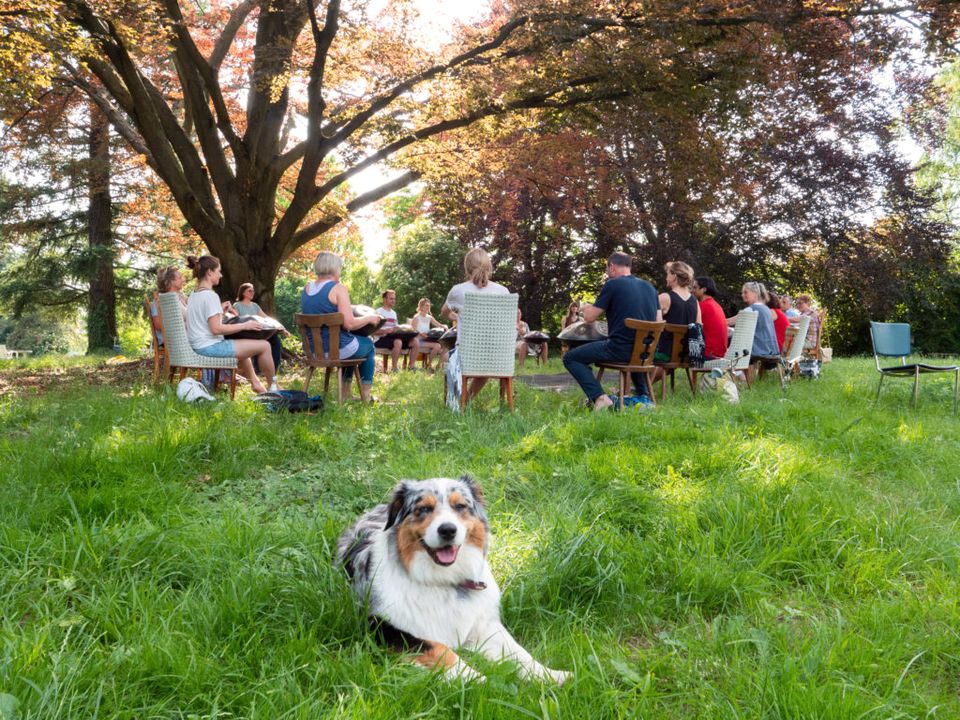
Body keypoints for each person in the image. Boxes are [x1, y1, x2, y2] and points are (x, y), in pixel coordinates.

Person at [562, 251, 661, 411]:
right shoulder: (650, 287)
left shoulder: (613, 284)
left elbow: (590, 317)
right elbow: (658, 321)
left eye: (607, 270)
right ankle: (643, 397)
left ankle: (600, 398)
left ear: (612, 267)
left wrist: (584, 309)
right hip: (645, 352)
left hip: (620, 350)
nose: (607, 274)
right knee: (634, 345)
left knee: (571, 358)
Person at [184, 255, 277, 394]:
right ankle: (273, 388)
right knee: (265, 346)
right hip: (209, 348)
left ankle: (256, 384)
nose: (221, 275)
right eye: (219, 271)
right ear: (210, 272)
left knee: (243, 343)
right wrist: (245, 325)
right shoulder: (210, 296)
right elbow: (216, 329)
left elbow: (203, 321)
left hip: (199, 345)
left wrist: (219, 310)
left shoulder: (194, 295)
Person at [301, 251, 380, 402]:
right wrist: (370, 317)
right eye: (340, 267)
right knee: (368, 345)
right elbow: (349, 323)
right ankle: (365, 395)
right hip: (336, 351)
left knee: (352, 344)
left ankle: (346, 394)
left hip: (313, 352)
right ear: (334, 268)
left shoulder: (307, 289)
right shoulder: (338, 288)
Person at [442, 247, 509, 403]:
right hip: (498, 356)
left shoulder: (458, 291)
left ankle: (458, 403)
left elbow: (444, 312)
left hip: (468, 354)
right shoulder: (503, 291)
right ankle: (467, 400)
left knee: (448, 357)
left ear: (467, 267)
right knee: (482, 366)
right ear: (489, 266)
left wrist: (457, 316)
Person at [234, 282, 288, 375]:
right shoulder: (237, 305)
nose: (252, 293)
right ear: (243, 293)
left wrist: (281, 327)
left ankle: (273, 370)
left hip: (258, 332)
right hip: (245, 333)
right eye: (249, 291)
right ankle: (257, 370)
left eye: (253, 291)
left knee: (275, 340)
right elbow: (235, 320)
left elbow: (266, 317)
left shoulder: (255, 306)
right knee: (260, 343)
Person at [654, 261, 701, 363]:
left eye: (667, 274)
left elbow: (651, 323)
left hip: (665, 354)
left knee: (637, 351)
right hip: (688, 355)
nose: (666, 277)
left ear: (674, 276)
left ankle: (638, 379)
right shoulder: (695, 301)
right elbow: (699, 326)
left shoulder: (665, 297)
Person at [727, 281, 780, 364]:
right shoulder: (767, 309)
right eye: (742, 293)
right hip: (771, 349)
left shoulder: (751, 310)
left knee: (730, 353)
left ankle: (740, 377)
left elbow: (729, 322)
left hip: (757, 350)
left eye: (745, 292)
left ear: (755, 294)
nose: (742, 295)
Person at [372, 289, 419, 373]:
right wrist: (385, 331)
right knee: (398, 342)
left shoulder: (394, 313)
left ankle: (411, 367)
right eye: (391, 298)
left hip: (394, 337)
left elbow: (396, 328)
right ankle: (394, 368)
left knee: (415, 341)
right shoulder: (378, 312)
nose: (393, 300)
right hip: (381, 339)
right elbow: (373, 331)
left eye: (394, 299)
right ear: (385, 299)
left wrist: (404, 330)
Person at [692, 276, 728, 360]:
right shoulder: (717, 305)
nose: (692, 291)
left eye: (695, 288)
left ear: (704, 289)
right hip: (720, 353)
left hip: (708, 353)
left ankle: (659, 371)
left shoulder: (702, 306)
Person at [410, 297, 447, 370]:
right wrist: (421, 334)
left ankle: (434, 364)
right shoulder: (416, 317)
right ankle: (429, 365)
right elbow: (412, 331)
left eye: (429, 306)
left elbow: (438, 324)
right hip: (418, 340)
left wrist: (445, 326)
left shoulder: (429, 317)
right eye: (426, 305)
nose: (428, 307)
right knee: (437, 346)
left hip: (428, 339)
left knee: (441, 345)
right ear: (421, 306)